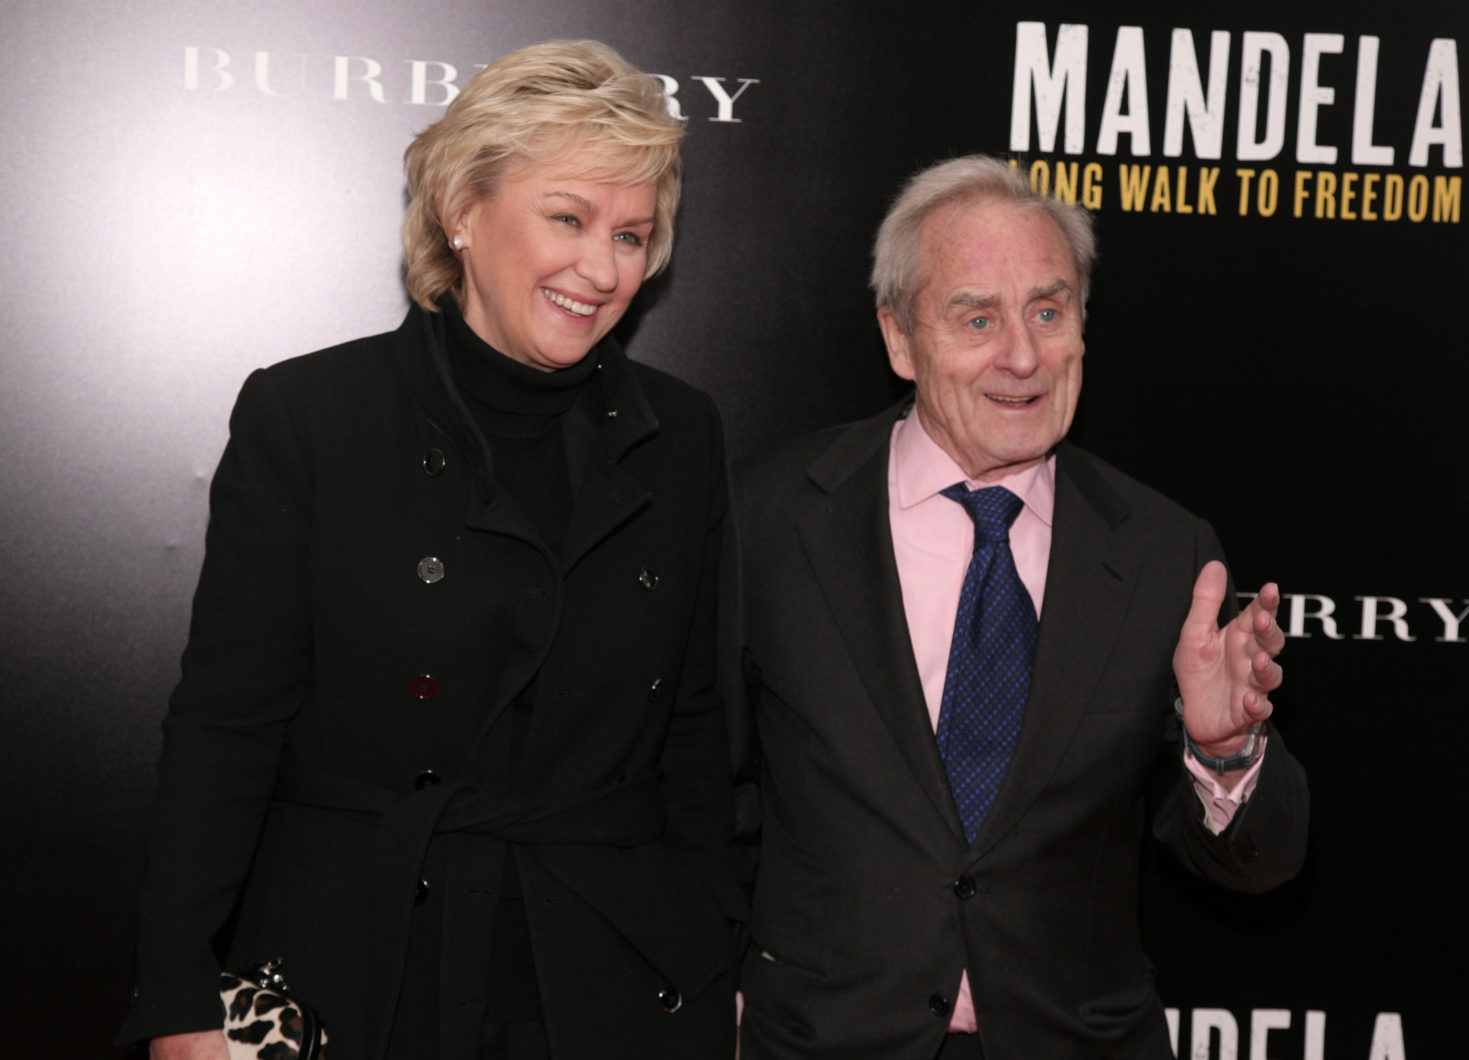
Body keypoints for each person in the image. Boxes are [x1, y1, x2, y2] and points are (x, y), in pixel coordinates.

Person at [119, 39, 741, 1060]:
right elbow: (227, 726)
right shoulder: (311, 417)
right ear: (463, 209)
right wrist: (178, 988)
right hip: (362, 960)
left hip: (607, 972)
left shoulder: (681, 434)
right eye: (569, 219)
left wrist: (710, 948)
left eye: (633, 235)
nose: (604, 267)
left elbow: (696, 733)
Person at [727, 155, 1309, 1059]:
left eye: (1049, 310)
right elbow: (688, 794)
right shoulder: (767, 520)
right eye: (977, 318)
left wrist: (1224, 751)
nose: (1024, 356)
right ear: (898, 338)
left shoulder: (1164, 552)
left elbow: (1260, 866)